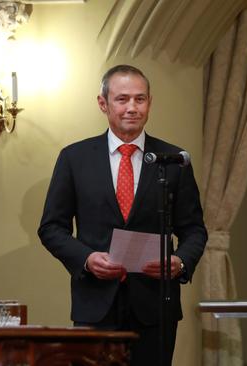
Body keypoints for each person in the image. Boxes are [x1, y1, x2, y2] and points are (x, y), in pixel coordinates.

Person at [38, 64, 207, 365]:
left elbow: (194, 229)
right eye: (122, 99)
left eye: (140, 99)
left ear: (150, 103)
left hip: (156, 306)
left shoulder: (174, 160)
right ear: (103, 103)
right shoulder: (74, 158)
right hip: (95, 304)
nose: (132, 108)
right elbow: (51, 227)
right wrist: (87, 259)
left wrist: (180, 262)